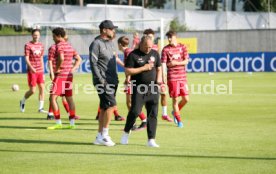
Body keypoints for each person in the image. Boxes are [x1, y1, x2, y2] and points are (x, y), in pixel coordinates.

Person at [120, 35, 162, 147]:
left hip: (153, 88)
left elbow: (159, 68)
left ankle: (151, 140)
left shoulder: (155, 53)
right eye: (146, 47)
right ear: (141, 44)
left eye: (150, 47)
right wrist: (143, 68)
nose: (148, 49)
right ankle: (126, 132)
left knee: (153, 114)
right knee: (135, 111)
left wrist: (159, 80)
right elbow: (128, 71)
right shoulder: (133, 55)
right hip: (138, 88)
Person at [89, 20, 119, 146]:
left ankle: (99, 136)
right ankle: (105, 135)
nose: (114, 31)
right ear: (104, 30)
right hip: (102, 81)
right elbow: (93, 63)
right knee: (112, 105)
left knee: (104, 107)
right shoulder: (96, 43)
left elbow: (113, 62)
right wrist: (100, 80)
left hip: (112, 80)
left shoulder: (111, 43)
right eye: (111, 29)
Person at [47, 27, 82, 130]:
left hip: (61, 75)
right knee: (69, 98)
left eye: (53, 36)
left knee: (52, 98)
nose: (53, 38)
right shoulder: (70, 46)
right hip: (69, 76)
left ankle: (58, 122)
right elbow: (79, 59)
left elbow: (61, 58)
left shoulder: (57, 46)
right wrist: (73, 69)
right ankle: (72, 123)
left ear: (58, 36)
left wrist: (56, 70)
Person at [118, 36, 147, 131]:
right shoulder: (129, 51)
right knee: (130, 102)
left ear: (119, 45)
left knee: (131, 102)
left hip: (132, 80)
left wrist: (128, 79)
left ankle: (143, 120)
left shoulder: (127, 52)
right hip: (132, 79)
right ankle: (134, 123)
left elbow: (129, 67)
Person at [161, 31, 189, 128]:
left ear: (175, 37)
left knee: (186, 99)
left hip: (182, 77)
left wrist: (175, 63)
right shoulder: (165, 49)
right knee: (175, 100)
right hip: (172, 77)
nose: (169, 39)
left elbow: (186, 61)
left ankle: (175, 112)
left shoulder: (182, 47)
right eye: (168, 37)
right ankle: (179, 120)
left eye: (170, 37)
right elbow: (164, 65)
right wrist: (164, 79)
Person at [20, 29, 47, 113]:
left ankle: (41, 108)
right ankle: (23, 101)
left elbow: (41, 58)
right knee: (32, 90)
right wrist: (31, 68)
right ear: (32, 35)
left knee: (42, 88)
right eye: (35, 35)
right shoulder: (28, 45)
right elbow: (26, 58)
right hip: (32, 71)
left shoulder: (41, 45)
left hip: (40, 71)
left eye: (38, 35)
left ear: (39, 36)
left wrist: (43, 71)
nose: (36, 36)